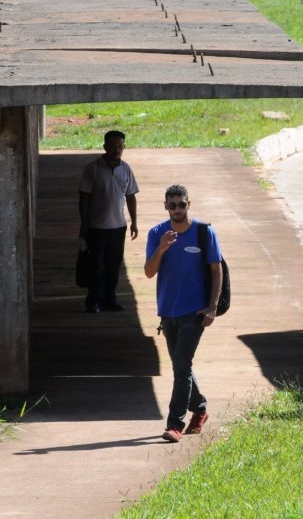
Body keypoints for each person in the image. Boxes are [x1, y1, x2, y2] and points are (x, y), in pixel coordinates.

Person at [144, 184, 223, 443]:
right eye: (171, 205)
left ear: (189, 204)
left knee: (181, 365)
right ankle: (199, 408)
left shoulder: (203, 232)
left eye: (181, 204)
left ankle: (175, 423)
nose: (176, 209)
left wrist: (212, 306)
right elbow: (149, 271)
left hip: (194, 311)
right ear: (165, 206)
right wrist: (162, 248)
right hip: (167, 312)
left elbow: (215, 269)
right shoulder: (157, 233)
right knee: (182, 366)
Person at [78, 129, 139, 313]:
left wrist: (134, 222)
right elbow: (84, 198)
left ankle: (109, 300)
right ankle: (93, 300)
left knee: (113, 267)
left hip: (118, 227)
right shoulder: (93, 169)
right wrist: (84, 224)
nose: (116, 150)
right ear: (105, 147)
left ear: (124, 147)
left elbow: (131, 197)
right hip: (96, 228)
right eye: (112, 146)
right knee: (96, 266)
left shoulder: (126, 169)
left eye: (120, 146)